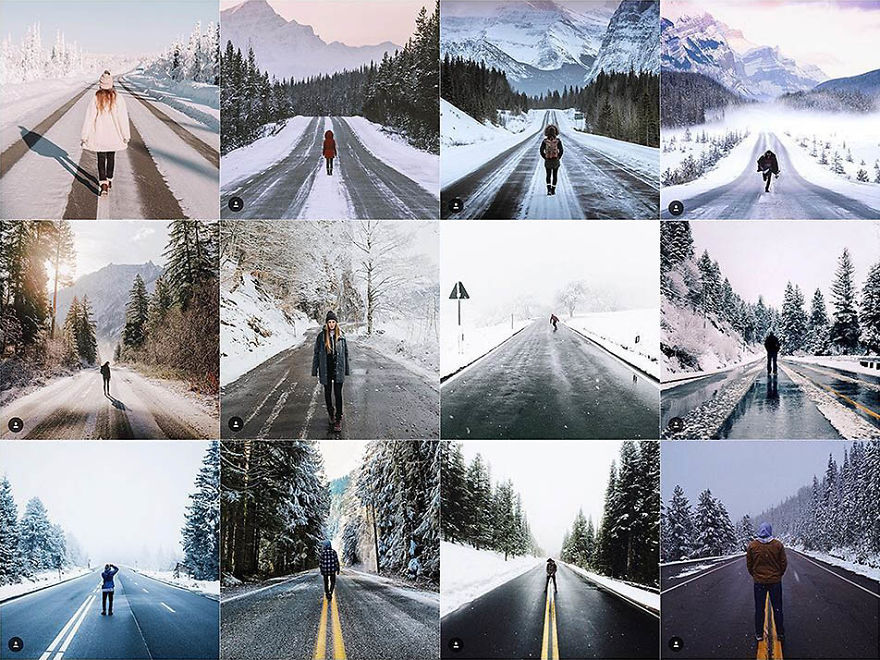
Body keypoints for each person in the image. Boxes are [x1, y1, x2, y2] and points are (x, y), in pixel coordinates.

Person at [81, 71, 130, 196]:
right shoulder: (118, 98)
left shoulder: (95, 98)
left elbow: (89, 118)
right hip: (113, 136)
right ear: (111, 84)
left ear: (101, 84)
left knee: (101, 158)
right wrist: (125, 135)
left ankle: (103, 184)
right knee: (111, 157)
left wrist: (84, 136)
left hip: (99, 135)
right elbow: (123, 119)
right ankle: (109, 179)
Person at [747, 523, 787, 642]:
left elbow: (749, 564)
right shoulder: (778, 545)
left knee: (759, 609)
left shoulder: (752, 545)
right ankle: (780, 633)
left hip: (759, 582)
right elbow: (783, 563)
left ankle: (759, 634)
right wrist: (778, 574)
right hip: (775, 582)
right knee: (777, 608)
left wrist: (756, 575)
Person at [312, 311, 350, 432]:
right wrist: (315, 370)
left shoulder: (342, 336)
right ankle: (331, 414)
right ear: (327, 323)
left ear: (336, 323)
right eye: (329, 322)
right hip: (326, 369)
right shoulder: (321, 336)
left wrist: (346, 369)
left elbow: (346, 353)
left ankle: (339, 418)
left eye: (333, 322)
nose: (332, 324)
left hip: (338, 369)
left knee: (338, 394)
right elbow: (316, 353)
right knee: (327, 394)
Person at [540, 124, 564, 195]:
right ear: (556, 132)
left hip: (548, 160)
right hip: (555, 160)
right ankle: (553, 190)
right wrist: (558, 157)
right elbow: (561, 150)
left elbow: (541, 150)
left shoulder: (545, 141)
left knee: (548, 175)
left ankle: (548, 190)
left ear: (547, 132)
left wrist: (545, 157)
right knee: (555, 175)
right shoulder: (558, 141)